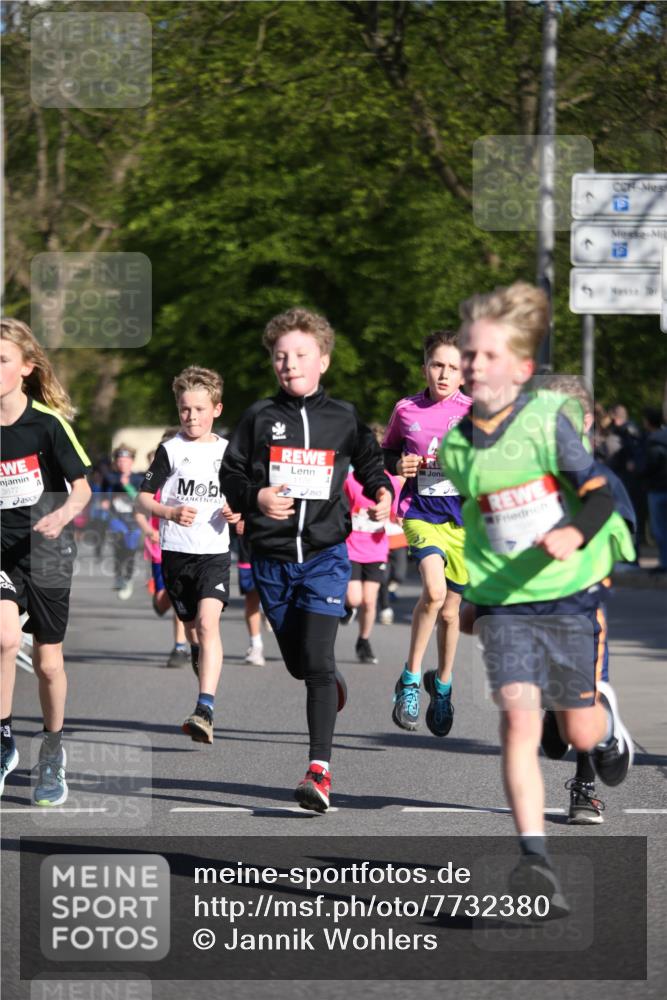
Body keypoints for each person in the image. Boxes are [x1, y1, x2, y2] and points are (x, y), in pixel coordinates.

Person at [442, 282, 635, 913]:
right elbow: (479, 526)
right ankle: (535, 859)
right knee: (518, 725)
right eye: (467, 353)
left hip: (567, 589)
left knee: (577, 728)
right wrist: (473, 596)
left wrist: (575, 530)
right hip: (505, 604)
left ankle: (607, 738)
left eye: (486, 355)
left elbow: (601, 492)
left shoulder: (545, 423)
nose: (472, 365)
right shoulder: (456, 445)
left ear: (521, 368)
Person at [219, 307, 392, 813]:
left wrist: (380, 490)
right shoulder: (257, 418)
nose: (289, 365)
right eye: (280, 357)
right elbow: (230, 476)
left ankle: (319, 771)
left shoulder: (343, 416)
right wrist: (257, 498)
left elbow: (369, 460)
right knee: (299, 664)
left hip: (325, 556)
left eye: (300, 355)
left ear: (324, 361)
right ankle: (327, 679)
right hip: (271, 560)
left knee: (316, 660)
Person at [535, 373, 637, 824]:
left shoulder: (603, 480)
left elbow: (626, 533)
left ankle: (585, 789)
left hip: (580, 607)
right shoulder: (528, 477)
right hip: (529, 608)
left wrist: (587, 550)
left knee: (586, 696)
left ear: (588, 421)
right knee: (555, 727)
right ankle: (554, 719)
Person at [0, 318, 91, 804]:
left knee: (48, 662)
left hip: (48, 550)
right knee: (2, 635)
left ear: (26, 368)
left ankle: (53, 751)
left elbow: (82, 489)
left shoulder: (48, 425)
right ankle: (2, 740)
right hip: (0, 551)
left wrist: (61, 516)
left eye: (2, 360)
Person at [138, 366, 238, 744]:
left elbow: (240, 496)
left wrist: (237, 512)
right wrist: (170, 512)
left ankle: (205, 708)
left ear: (216, 409)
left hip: (213, 552)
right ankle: (196, 651)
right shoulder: (171, 450)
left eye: (198, 409)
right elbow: (145, 497)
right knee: (194, 627)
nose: (191, 416)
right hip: (176, 552)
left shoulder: (228, 452)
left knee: (209, 623)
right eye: (184, 410)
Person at [382, 330, 471, 737]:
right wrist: (400, 465)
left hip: (464, 522)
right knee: (433, 593)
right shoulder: (406, 409)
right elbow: (387, 451)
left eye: (453, 367)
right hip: (420, 513)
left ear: (464, 374)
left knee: (451, 612)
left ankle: (444, 684)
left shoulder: (477, 411)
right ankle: (411, 679)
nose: (444, 373)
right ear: (425, 368)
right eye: (438, 365)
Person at [342, 466, 400, 663]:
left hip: (376, 548)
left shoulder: (389, 482)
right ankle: (347, 607)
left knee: (369, 600)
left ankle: (363, 641)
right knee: (355, 598)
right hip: (352, 546)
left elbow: (396, 511)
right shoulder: (350, 479)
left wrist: (397, 517)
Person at [102, 445, 144, 600]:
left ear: (132, 461)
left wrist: (127, 485)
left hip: (133, 520)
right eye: (119, 460)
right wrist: (104, 501)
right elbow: (102, 494)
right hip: (116, 518)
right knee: (118, 548)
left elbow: (140, 500)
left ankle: (128, 578)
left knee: (130, 550)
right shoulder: (110, 478)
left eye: (125, 460)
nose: (122, 463)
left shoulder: (139, 479)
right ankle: (119, 576)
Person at [235, 525, 266, 667]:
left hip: (278, 549)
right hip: (249, 552)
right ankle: (256, 646)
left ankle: (266, 609)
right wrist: (235, 520)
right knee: (252, 599)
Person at [642, 407, 667, 574]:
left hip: (657, 489)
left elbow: (649, 466)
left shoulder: (653, 441)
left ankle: (665, 563)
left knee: (659, 529)